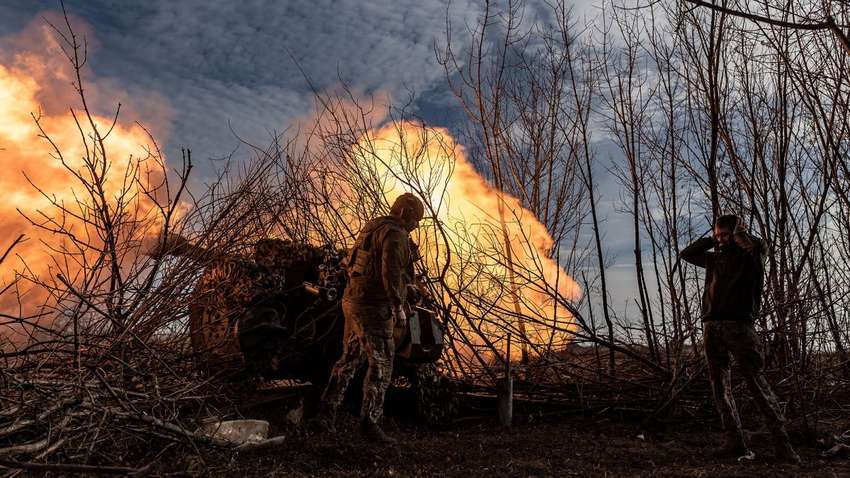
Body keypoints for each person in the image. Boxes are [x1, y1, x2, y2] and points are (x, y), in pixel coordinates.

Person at [679, 214, 801, 463]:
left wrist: (737, 234)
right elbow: (686, 254)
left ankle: (783, 445)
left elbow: (756, 245)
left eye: (725, 234)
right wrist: (711, 240)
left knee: (756, 382)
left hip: (740, 327)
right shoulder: (714, 258)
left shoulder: (752, 254)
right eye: (718, 235)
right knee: (719, 385)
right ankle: (735, 442)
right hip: (712, 326)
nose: (721, 239)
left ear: (737, 232)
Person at [314, 193, 425, 444]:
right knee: (382, 365)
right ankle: (370, 424)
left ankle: (325, 413)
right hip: (374, 307)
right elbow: (390, 273)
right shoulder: (395, 234)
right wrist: (398, 306)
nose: (415, 225)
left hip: (353, 301)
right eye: (415, 219)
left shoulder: (373, 226)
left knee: (349, 359)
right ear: (404, 214)